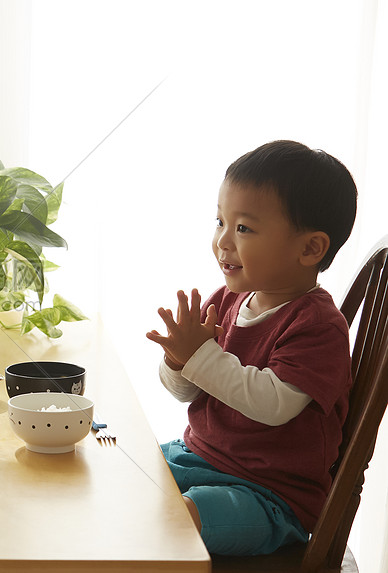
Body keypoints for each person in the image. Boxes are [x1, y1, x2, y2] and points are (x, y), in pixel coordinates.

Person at [146, 140, 358, 556]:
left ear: (310, 248)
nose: (223, 241)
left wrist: (200, 357)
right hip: (198, 457)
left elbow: (272, 403)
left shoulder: (317, 325)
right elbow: (188, 390)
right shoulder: (226, 300)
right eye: (220, 221)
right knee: (125, 480)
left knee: (178, 519)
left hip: (269, 495)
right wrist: (177, 361)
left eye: (243, 228)